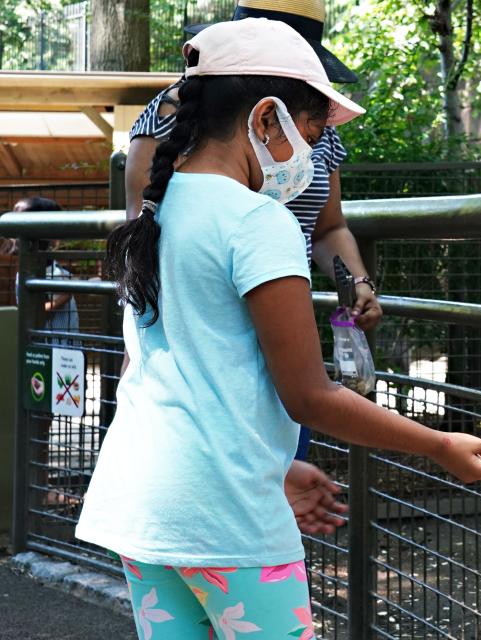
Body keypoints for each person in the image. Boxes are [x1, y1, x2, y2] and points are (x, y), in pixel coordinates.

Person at [75, 19, 481, 640]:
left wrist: (274, 466)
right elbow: (310, 396)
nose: (310, 152)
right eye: (309, 131)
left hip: (145, 505)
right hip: (226, 516)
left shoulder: (159, 209)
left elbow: (177, 372)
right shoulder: (259, 222)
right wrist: (440, 446)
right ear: (266, 118)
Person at [124, 0, 374, 533]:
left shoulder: (311, 123)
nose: (311, 143)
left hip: (274, 352)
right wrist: (442, 445)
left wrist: (356, 280)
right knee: (252, 537)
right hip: (208, 351)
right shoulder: (184, 132)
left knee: (258, 514)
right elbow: (147, 245)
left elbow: (329, 227)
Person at [13, 197, 81, 339]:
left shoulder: (49, 264)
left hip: (67, 348)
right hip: (50, 349)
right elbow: (35, 314)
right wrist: (67, 294)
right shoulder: (32, 270)